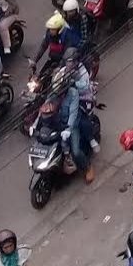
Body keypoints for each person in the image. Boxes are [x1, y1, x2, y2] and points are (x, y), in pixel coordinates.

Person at [52, 48, 95, 182]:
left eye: (71, 61)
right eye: (67, 61)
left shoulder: (75, 89)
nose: (68, 64)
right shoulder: (62, 74)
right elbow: (49, 97)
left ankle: (87, 167)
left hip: (82, 102)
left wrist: (68, 129)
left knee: (76, 151)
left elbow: (73, 112)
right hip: (60, 119)